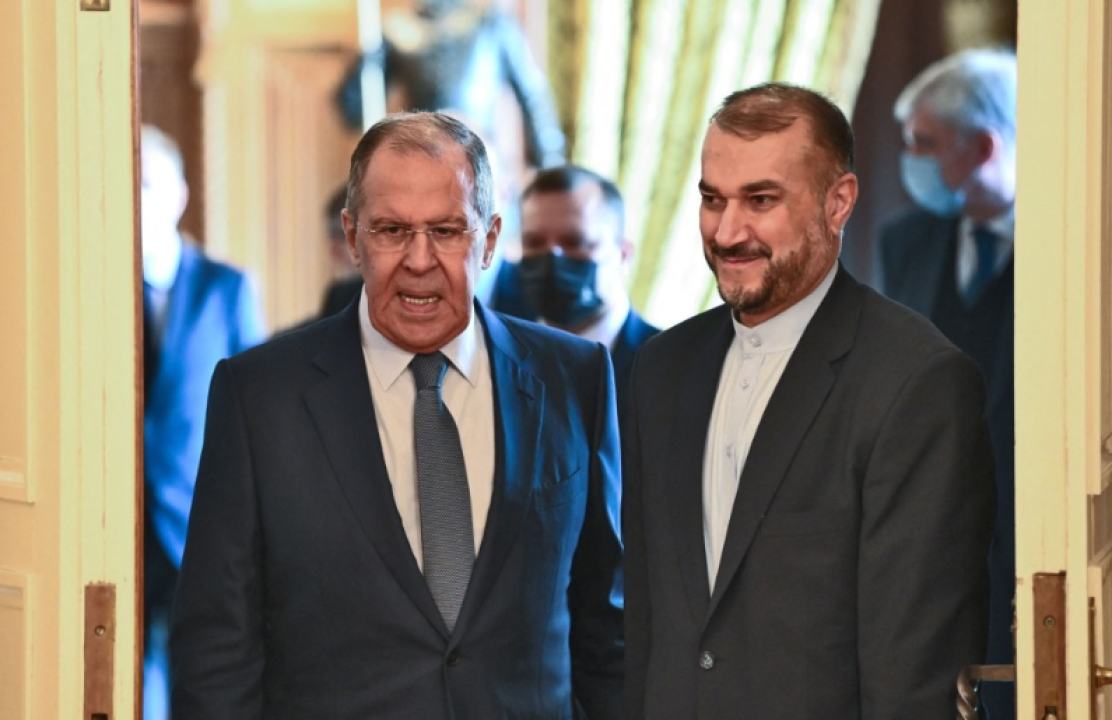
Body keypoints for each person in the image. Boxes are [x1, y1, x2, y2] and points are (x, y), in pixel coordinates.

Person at [171, 111, 623, 719]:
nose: (418, 259)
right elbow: (215, 649)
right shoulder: (259, 397)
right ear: (352, 237)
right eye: (390, 230)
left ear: (490, 239)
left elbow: (606, 629)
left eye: (446, 230)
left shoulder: (575, 377)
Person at [622, 83, 996, 719]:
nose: (727, 231)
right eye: (712, 199)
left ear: (837, 202)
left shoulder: (917, 383)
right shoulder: (661, 368)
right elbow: (648, 629)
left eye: (761, 200)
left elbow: (917, 676)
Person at [876, 47, 1017, 719]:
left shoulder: (1072, 243)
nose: (911, 158)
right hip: (933, 530)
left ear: (983, 147)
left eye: (925, 144)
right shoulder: (906, 240)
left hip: (1028, 523)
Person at [140, 124, 266, 720]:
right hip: (111, 529)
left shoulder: (226, 288)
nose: (137, 199)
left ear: (180, 195)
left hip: (196, 524)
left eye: (148, 184)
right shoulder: (89, 291)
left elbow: (258, 417)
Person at [337, 0, 565, 168]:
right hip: (419, 159)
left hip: (481, 157)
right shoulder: (398, 31)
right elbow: (352, 110)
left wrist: (549, 162)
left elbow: (533, 95)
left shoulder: (491, 23)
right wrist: (364, 65)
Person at [517, 165, 659, 417]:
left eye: (576, 242)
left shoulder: (670, 365)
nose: (553, 258)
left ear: (623, 255)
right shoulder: (496, 359)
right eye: (535, 242)